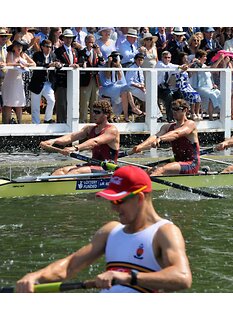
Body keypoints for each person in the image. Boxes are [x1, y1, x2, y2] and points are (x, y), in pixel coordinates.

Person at [16, 164, 192, 293]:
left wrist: (129, 277)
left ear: (139, 198)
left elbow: (182, 277)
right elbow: (69, 266)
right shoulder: (111, 231)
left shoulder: (164, 232)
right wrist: (35, 277)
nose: (113, 208)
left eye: (118, 201)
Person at [39, 100, 120, 175]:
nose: (93, 114)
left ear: (106, 114)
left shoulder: (112, 130)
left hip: (108, 168)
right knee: (61, 171)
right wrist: (53, 141)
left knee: (74, 172)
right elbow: (71, 137)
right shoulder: (89, 129)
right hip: (92, 164)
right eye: (93, 111)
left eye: (97, 112)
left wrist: (75, 148)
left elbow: (95, 142)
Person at [130, 99, 201, 176]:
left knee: (160, 170)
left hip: (191, 164)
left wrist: (160, 139)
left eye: (177, 109)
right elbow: (154, 136)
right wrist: (140, 146)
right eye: (172, 109)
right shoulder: (167, 127)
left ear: (185, 110)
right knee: (149, 170)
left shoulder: (190, 124)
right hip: (177, 163)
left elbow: (176, 133)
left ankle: (146, 186)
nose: (174, 111)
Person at [2, 39, 36, 124]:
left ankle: (20, 123)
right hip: (10, 81)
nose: (19, 48)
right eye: (17, 46)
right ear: (13, 47)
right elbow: (8, 63)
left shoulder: (23, 55)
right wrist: (18, 64)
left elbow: (34, 64)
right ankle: (7, 123)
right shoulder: (10, 54)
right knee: (9, 103)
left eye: (20, 46)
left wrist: (26, 64)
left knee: (19, 103)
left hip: (19, 81)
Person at [28, 39, 59, 124]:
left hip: (48, 83)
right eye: (47, 47)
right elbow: (38, 63)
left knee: (52, 100)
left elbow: (58, 63)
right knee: (35, 106)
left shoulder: (53, 55)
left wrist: (58, 64)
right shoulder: (37, 55)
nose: (49, 48)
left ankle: (47, 119)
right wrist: (49, 65)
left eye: (50, 47)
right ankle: (36, 124)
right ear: (42, 47)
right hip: (37, 83)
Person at [54, 29, 80, 123]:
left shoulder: (75, 51)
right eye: (67, 38)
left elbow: (78, 62)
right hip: (62, 81)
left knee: (72, 103)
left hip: (73, 81)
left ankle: (71, 123)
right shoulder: (58, 51)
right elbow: (58, 63)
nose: (69, 40)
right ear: (63, 39)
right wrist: (69, 66)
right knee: (61, 104)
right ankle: (61, 123)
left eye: (70, 38)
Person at [78, 34, 105, 123]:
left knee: (95, 102)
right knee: (84, 102)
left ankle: (94, 121)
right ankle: (83, 121)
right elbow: (82, 60)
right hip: (86, 80)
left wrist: (99, 53)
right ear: (86, 42)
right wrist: (89, 51)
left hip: (95, 79)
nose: (92, 44)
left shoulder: (96, 52)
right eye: (90, 42)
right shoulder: (82, 51)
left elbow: (102, 63)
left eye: (93, 42)